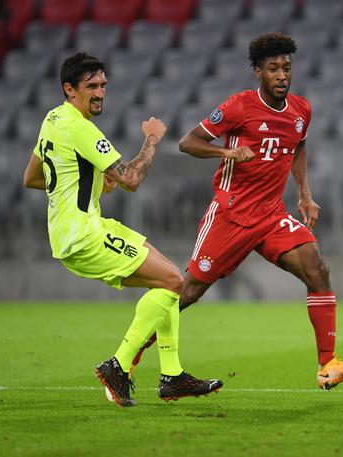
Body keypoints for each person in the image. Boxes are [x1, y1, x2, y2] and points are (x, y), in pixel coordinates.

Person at [133, 33, 343, 390]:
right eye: (273, 68)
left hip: (272, 215)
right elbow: (188, 142)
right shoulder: (238, 107)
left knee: (317, 270)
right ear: (257, 72)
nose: (281, 75)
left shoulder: (301, 110)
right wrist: (225, 153)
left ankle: (328, 365)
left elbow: (298, 145)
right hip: (231, 215)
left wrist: (305, 193)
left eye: (286, 68)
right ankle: (127, 358)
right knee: (188, 292)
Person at [22, 52, 222, 407]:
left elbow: (33, 177)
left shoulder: (52, 119)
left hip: (77, 230)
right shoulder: (81, 128)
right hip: (84, 235)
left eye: (103, 85)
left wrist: (91, 180)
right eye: (91, 87)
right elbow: (130, 179)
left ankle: (172, 376)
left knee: (171, 281)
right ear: (69, 89)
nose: (100, 93)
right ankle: (119, 365)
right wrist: (152, 140)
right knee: (174, 281)